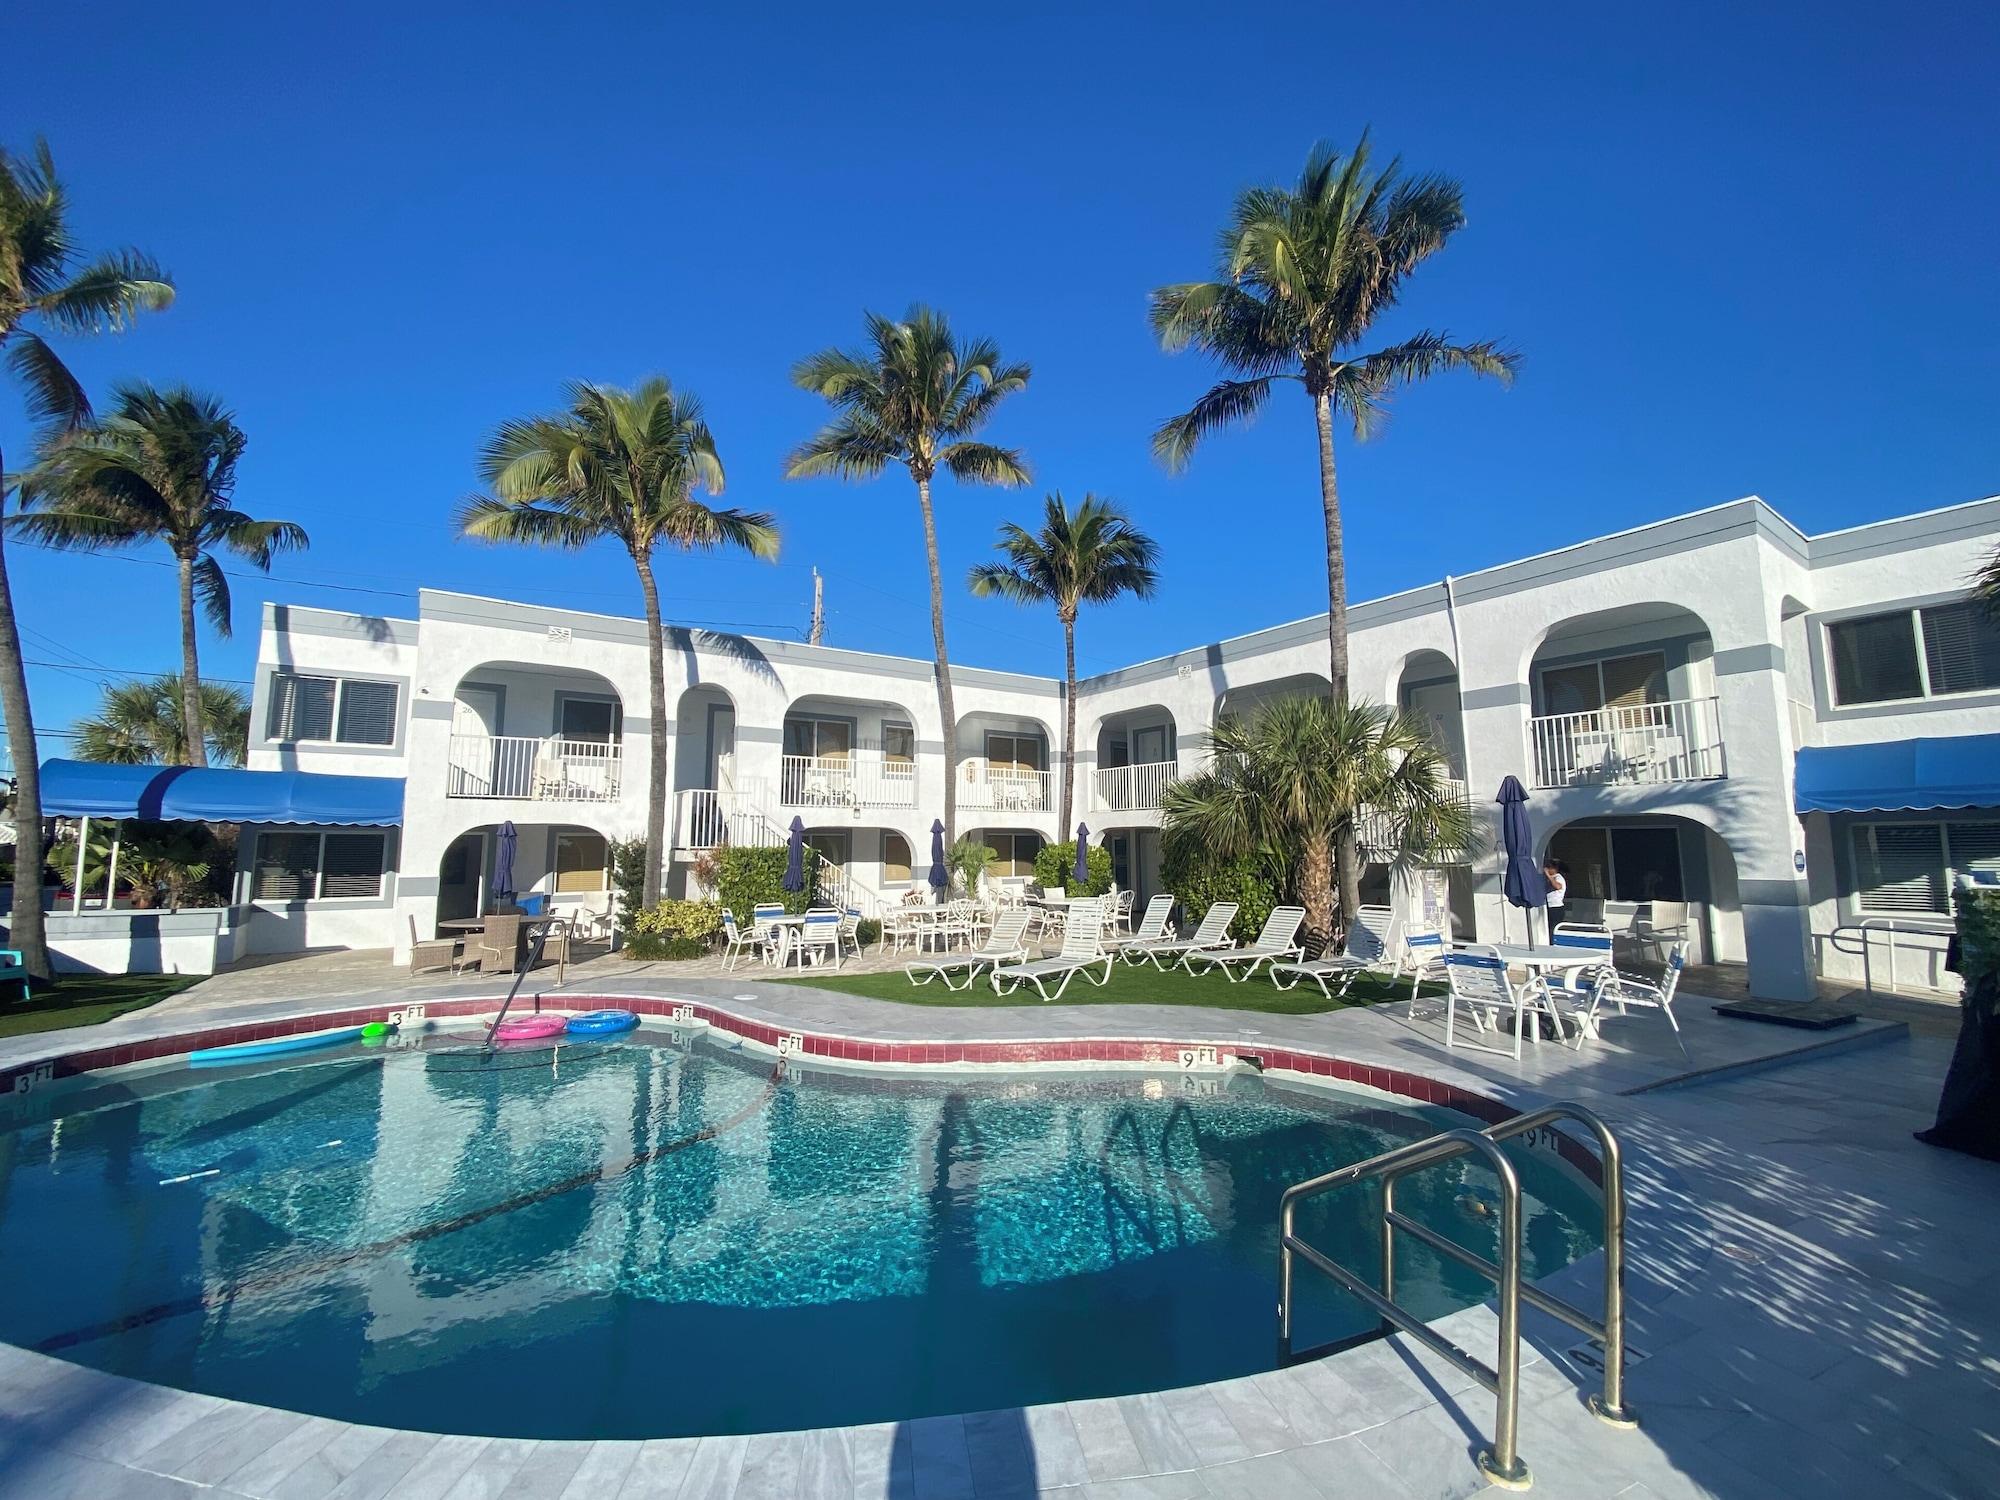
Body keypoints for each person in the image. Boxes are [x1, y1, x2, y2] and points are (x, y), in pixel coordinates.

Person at [1541, 858, 1568, 942]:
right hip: (1549, 907)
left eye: (1549, 868)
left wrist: (1548, 875)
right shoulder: (1550, 878)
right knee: (1548, 928)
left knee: (1553, 929)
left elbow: (1557, 886)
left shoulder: (1558, 877)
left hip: (1556, 907)